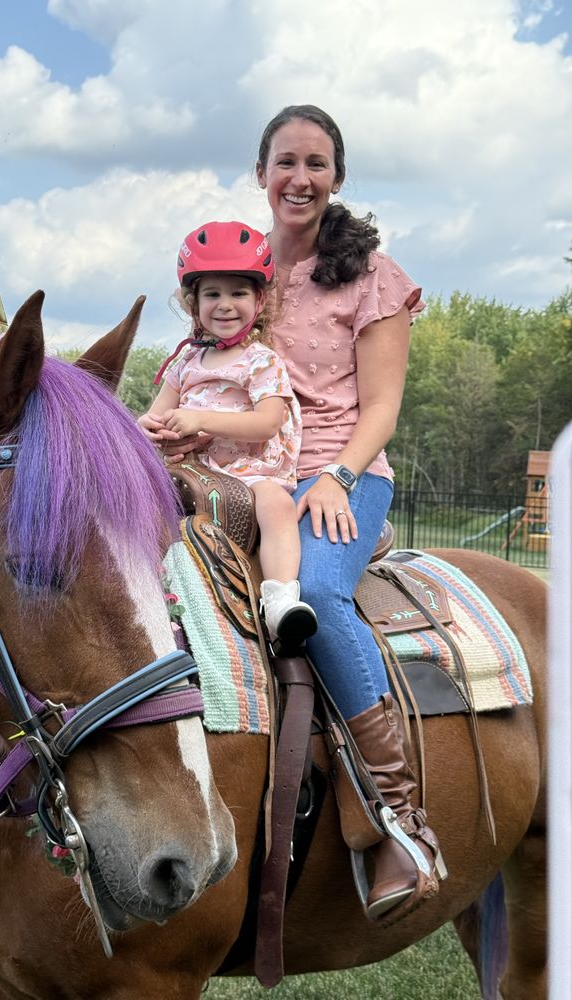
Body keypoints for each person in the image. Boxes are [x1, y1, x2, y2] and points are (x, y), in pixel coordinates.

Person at [162, 106, 444, 922]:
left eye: (317, 163)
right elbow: (192, 381)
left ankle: (399, 819)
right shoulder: (238, 275)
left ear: (337, 178)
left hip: (340, 471)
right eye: (286, 161)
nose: (300, 177)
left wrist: (337, 476)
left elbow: (383, 408)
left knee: (315, 595)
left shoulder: (373, 279)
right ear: (261, 173)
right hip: (241, 469)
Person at [139, 220, 317, 647]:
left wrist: (200, 420)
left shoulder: (261, 362)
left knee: (276, 504)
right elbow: (157, 416)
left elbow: (267, 422)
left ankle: (279, 596)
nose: (224, 304)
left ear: (259, 299)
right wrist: (144, 429)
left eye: (238, 292)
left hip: (250, 472)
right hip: (195, 471)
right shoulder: (185, 363)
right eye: (212, 294)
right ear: (192, 302)